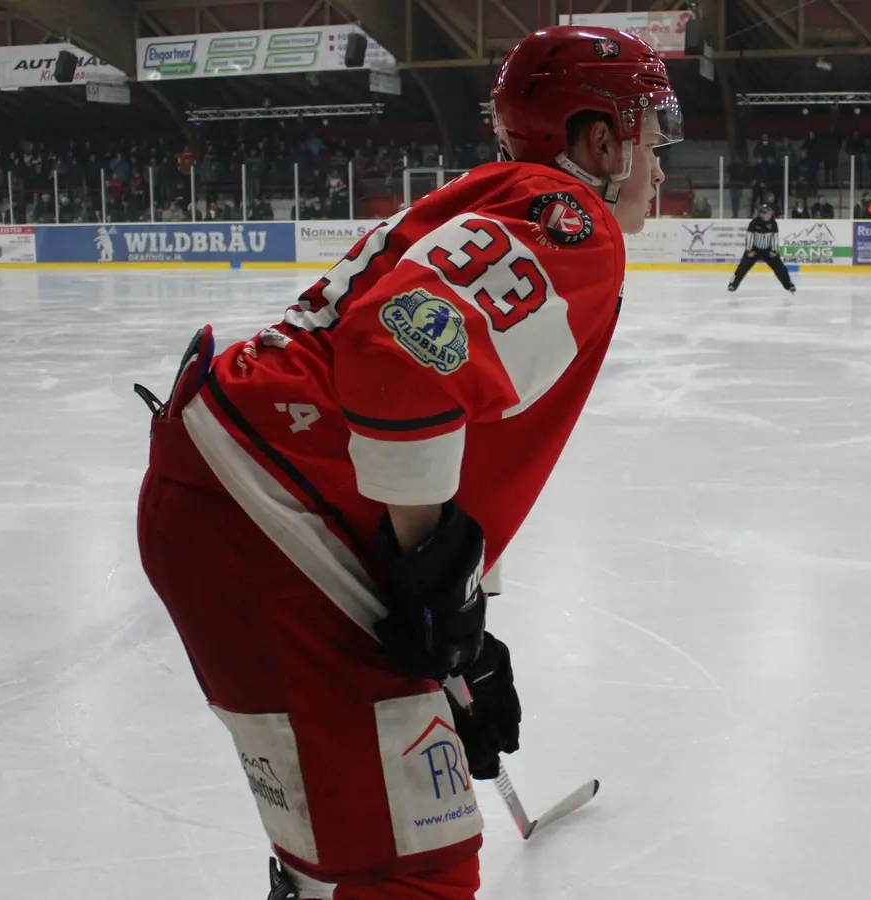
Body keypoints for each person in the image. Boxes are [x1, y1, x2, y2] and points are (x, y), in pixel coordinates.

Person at [132, 25, 680, 900]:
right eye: (653, 128)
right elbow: (398, 356)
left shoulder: (494, 198)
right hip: (279, 515)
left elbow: (442, 418)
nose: (664, 157)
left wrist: (461, 635)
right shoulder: (571, 223)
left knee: (352, 846)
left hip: (241, 493)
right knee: (407, 871)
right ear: (602, 141)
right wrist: (429, 578)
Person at [727, 203, 796, 293]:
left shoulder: (773, 223)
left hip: (768, 250)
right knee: (742, 268)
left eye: (770, 213)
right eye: (768, 213)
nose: (770, 215)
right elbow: (749, 236)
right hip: (754, 249)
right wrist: (749, 250)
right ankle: (732, 285)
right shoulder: (754, 223)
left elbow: (775, 237)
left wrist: (774, 251)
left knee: (780, 268)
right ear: (762, 214)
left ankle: (789, 285)